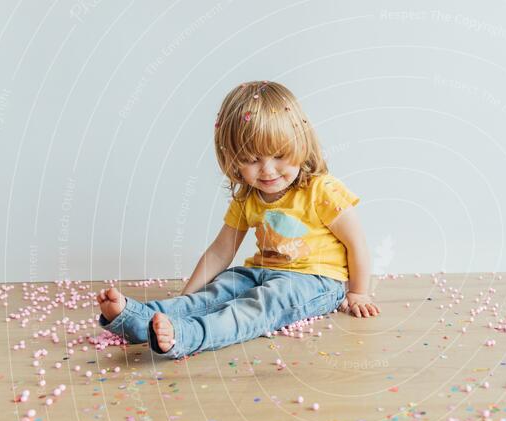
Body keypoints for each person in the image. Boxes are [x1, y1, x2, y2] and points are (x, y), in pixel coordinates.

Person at [97, 80, 379, 359]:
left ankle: (188, 335)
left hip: (315, 281)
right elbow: (221, 251)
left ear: (301, 144)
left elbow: (357, 244)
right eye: (251, 159)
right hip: (261, 272)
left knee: (256, 306)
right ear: (231, 159)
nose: (267, 170)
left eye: (279, 155)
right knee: (222, 288)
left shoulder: (321, 190)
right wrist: (187, 298)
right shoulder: (248, 198)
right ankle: (136, 320)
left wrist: (358, 292)